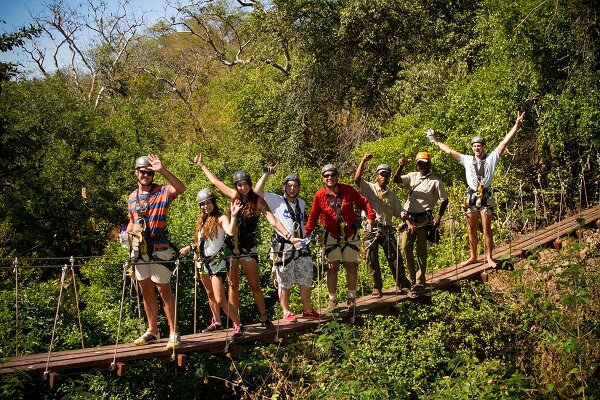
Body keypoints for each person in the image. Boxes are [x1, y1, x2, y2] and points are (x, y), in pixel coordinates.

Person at [194, 153, 300, 329]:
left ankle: (264, 318)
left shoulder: (257, 201)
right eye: (239, 185)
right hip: (231, 248)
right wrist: (202, 165)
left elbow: (273, 220)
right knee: (233, 285)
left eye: (245, 184)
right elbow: (216, 183)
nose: (242, 187)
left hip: (248, 248)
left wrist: (289, 236)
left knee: (254, 285)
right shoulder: (234, 196)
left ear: (250, 184)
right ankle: (237, 323)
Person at [430, 111, 525, 268]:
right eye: (474, 146)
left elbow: (504, 143)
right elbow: (448, 151)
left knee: (487, 229)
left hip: (485, 195)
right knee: (471, 228)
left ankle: (489, 257)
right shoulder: (467, 160)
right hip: (471, 196)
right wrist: (434, 141)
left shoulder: (492, 158)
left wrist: (517, 125)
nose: (476, 148)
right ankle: (473, 256)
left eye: (479, 146)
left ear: (484, 147)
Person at [127, 154, 185, 349]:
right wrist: (127, 235)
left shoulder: (161, 191)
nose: (146, 175)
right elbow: (132, 220)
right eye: (143, 172)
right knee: (146, 291)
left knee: (164, 291)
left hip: (159, 249)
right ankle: (153, 330)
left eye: (149, 173)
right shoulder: (132, 197)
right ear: (136, 173)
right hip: (139, 250)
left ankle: (173, 332)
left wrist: (162, 170)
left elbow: (180, 188)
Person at [254, 167, 325, 322]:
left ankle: (307, 309)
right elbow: (257, 191)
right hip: (284, 245)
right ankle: (286, 311)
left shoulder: (302, 203)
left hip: (300, 244)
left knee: (306, 275)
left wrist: (308, 236)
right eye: (289, 186)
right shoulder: (276, 200)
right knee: (284, 279)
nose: (292, 188)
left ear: (298, 187)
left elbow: (301, 223)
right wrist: (266, 174)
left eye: (295, 186)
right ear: (284, 187)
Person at [304, 164, 376, 309]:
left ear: (337, 176)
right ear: (323, 178)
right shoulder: (319, 195)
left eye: (332, 175)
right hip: (331, 234)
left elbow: (364, 202)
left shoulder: (348, 191)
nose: (329, 178)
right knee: (332, 267)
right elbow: (313, 216)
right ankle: (333, 300)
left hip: (350, 233)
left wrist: (370, 217)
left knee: (351, 266)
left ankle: (351, 299)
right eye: (326, 176)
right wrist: (306, 234)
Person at [179, 189, 244, 338]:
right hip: (203, 261)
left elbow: (230, 232)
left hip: (216, 262)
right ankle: (217, 321)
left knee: (220, 298)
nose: (205, 206)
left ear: (213, 202)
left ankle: (237, 324)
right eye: (202, 204)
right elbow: (203, 243)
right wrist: (190, 247)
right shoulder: (202, 221)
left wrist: (233, 216)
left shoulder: (221, 218)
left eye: (208, 203)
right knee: (210, 294)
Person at [393, 151, 448, 297]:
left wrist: (438, 216)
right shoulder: (412, 176)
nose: (422, 166)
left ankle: (420, 279)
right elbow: (396, 180)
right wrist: (401, 166)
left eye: (425, 163)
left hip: (424, 220)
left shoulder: (436, 181)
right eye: (420, 163)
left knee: (421, 250)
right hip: (409, 219)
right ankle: (412, 277)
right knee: (405, 248)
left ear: (429, 164)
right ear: (417, 165)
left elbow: (444, 200)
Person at [354, 153, 409, 297]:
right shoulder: (369, 188)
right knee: (371, 260)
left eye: (386, 175)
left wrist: (405, 218)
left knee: (395, 258)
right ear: (376, 176)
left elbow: (400, 211)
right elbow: (357, 179)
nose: (384, 177)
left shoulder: (392, 195)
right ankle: (376, 288)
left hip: (387, 229)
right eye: (381, 174)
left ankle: (403, 285)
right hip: (370, 229)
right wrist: (363, 160)